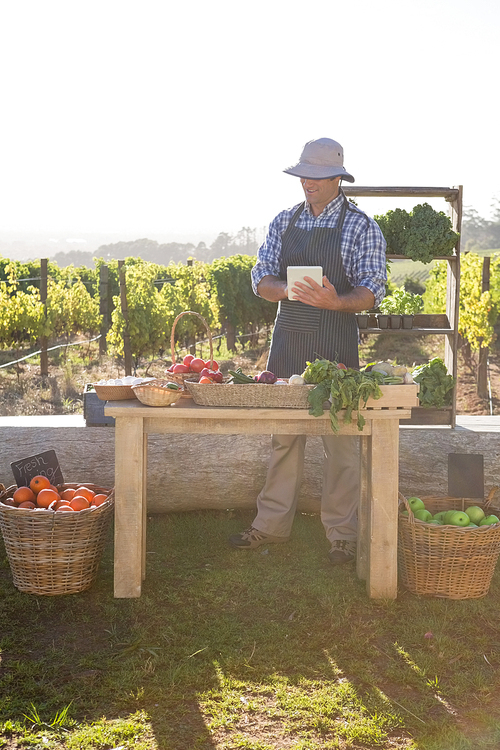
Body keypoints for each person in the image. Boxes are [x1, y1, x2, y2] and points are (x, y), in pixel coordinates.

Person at [229, 137, 387, 564]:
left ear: (337, 178)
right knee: (285, 437)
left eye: (316, 177)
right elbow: (260, 276)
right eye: (303, 175)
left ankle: (342, 534)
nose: (307, 183)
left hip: (336, 344)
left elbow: (373, 289)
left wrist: (337, 301)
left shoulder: (361, 226)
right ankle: (271, 526)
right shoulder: (284, 221)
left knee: (341, 442)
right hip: (289, 341)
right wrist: (287, 290)